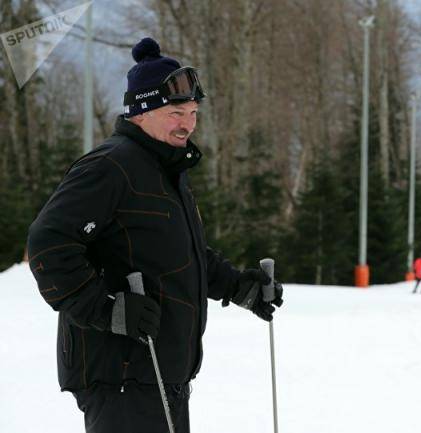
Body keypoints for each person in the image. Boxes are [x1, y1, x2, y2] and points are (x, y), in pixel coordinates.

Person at [26, 37, 283, 433]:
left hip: (162, 374)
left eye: (194, 112)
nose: (188, 123)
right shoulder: (111, 166)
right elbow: (48, 244)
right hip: (123, 375)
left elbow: (182, 255)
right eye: (176, 112)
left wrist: (238, 286)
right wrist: (106, 308)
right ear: (140, 113)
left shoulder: (165, 173)